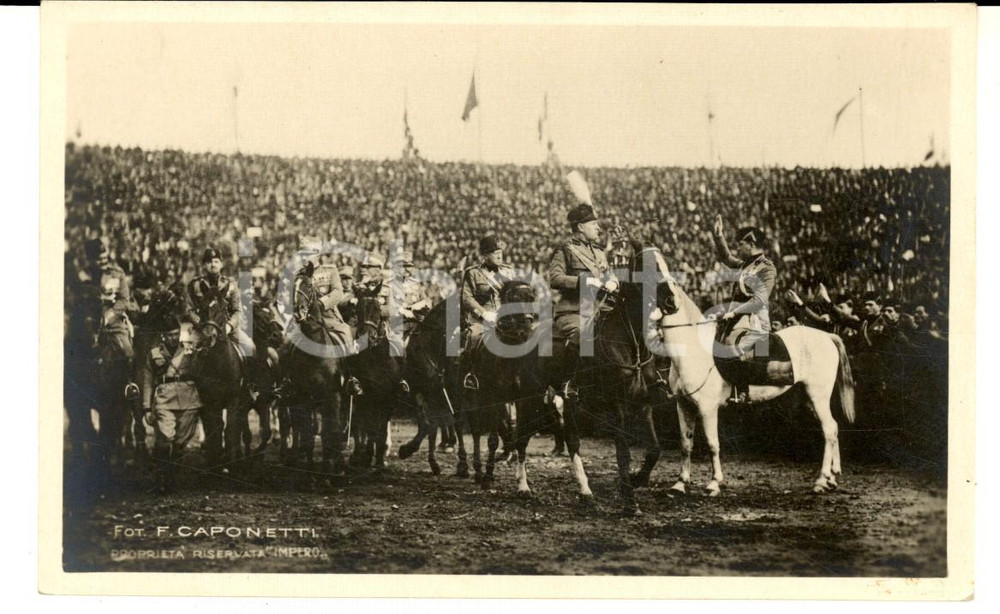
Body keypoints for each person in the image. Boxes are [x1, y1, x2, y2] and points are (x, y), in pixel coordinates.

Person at [547, 204, 618, 396]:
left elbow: (609, 275)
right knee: (583, 333)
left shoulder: (599, 252)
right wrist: (586, 281)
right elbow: (555, 278)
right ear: (580, 227)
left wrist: (613, 281)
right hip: (573, 311)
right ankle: (570, 382)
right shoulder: (565, 249)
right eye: (594, 224)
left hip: (599, 308)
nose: (599, 228)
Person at [711, 215, 777, 403]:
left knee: (733, 344)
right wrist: (718, 236)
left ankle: (744, 391)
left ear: (751, 243)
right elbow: (726, 257)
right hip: (738, 316)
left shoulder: (767, 268)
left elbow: (760, 300)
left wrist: (735, 311)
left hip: (755, 318)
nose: (738, 248)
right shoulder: (745, 264)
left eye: (741, 244)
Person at [139, 315, 204, 493]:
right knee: (165, 439)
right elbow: (147, 381)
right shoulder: (154, 354)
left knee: (180, 443)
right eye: (169, 335)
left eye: (176, 334)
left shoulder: (190, 350)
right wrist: (146, 407)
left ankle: (171, 478)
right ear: (163, 336)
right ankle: (159, 479)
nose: (173, 338)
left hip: (188, 399)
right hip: (164, 401)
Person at [460, 235, 515, 389]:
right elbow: (467, 298)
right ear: (484, 256)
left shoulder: (508, 271)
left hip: (505, 317)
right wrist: (484, 313)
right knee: (473, 337)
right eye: (494, 252)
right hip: (482, 319)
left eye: (500, 251)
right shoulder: (473, 273)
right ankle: (471, 375)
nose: (499, 255)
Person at [186, 247, 255, 355]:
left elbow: (237, 310)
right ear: (204, 265)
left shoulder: (230, 284)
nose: (213, 264)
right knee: (186, 352)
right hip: (202, 328)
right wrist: (200, 323)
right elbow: (189, 310)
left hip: (226, 327)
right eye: (209, 262)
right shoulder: (196, 285)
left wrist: (230, 326)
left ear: (221, 264)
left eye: (216, 261)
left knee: (250, 347)